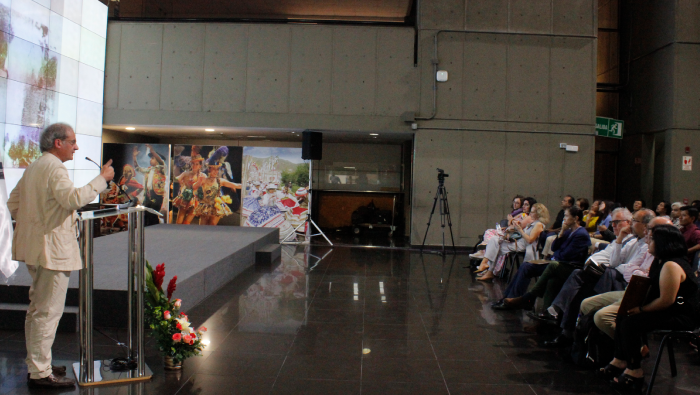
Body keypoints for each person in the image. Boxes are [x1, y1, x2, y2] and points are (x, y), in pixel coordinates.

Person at [7, 123, 114, 388]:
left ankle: (38, 363)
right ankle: (41, 372)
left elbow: (13, 203)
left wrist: (37, 224)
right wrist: (102, 179)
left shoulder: (34, 166)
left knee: (37, 311)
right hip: (51, 251)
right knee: (47, 313)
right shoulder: (55, 167)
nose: (76, 147)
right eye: (73, 142)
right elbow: (72, 200)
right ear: (58, 143)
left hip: (36, 249)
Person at [600, 225, 698, 391]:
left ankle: (635, 371)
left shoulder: (671, 265)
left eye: (651, 238)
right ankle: (620, 359)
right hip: (670, 310)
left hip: (683, 316)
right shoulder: (660, 261)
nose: (647, 241)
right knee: (623, 314)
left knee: (631, 323)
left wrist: (641, 309)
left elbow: (666, 300)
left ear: (662, 242)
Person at [493, 206, 591, 310]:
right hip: (557, 262)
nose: (564, 219)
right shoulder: (568, 231)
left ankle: (518, 300)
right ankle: (508, 297)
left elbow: (566, 255)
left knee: (532, 268)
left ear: (576, 218)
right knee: (526, 266)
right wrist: (561, 233)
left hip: (567, 266)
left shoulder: (581, 234)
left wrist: (558, 253)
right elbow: (554, 248)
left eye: (566, 216)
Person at [475, 203, 549, 282]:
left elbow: (530, 240)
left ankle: (487, 266)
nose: (530, 213)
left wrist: (520, 229)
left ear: (538, 214)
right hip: (519, 243)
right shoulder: (533, 223)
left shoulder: (538, 224)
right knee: (494, 241)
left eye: (532, 212)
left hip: (523, 246)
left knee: (494, 244)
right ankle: (487, 267)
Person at [193, 160, 241, 226]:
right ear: (209, 169)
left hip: (216, 206)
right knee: (203, 225)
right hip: (205, 206)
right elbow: (194, 187)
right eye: (214, 169)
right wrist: (199, 182)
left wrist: (249, 185)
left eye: (217, 169)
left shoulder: (220, 181)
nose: (216, 171)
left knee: (212, 224)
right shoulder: (204, 180)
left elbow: (236, 185)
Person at [133, 144, 166, 226]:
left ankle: (154, 232)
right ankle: (144, 232)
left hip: (156, 196)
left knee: (153, 216)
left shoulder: (161, 169)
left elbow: (161, 161)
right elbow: (138, 168)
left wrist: (152, 151)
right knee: (144, 215)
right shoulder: (149, 169)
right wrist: (134, 157)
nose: (150, 160)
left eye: (153, 158)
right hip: (148, 196)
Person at [173, 154, 206, 225]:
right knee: (179, 220)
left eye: (196, 164)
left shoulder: (203, 176)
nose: (194, 166)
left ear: (200, 166)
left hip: (196, 200)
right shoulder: (186, 173)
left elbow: (206, 187)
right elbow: (177, 178)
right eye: (193, 164)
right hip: (185, 197)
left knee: (186, 222)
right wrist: (179, 180)